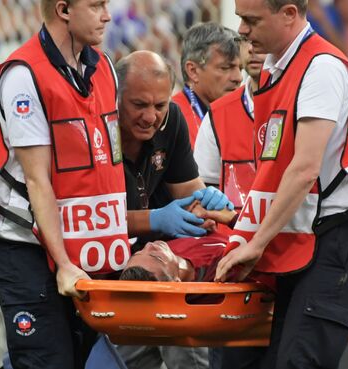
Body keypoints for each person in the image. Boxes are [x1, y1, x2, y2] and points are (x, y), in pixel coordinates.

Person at [214, 1, 348, 368]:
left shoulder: (322, 68)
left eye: (251, 20)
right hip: (310, 242)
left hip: (342, 241)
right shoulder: (277, 66)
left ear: (289, 14)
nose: (242, 31)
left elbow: (304, 169)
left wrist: (256, 242)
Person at [0, 1, 126, 368]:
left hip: (79, 248)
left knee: (77, 356)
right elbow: (38, 181)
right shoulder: (23, 76)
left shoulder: (103, 68)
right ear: (64, 9)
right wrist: (64, 263)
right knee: (47, 361)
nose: (107, 15)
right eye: (96, 5)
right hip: (26, 246)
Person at [115, 50, 233, 369]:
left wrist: (208, 200)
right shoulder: (97, 132)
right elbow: (88, 220)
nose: (151, 117)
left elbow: (189, 192)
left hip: (160, 271)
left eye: (160, 105)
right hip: (100, 264)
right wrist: (155, 219)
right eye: (139, 105)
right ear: (116, 98)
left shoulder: (173, 120)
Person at [193, 39, 266, 214]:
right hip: (232, 239)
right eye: (244, 40)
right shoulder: (218, 114)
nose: (251, 49)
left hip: (297, 238)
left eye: (258, 38)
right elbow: (202, 194)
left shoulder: (304, 107)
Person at [172, 22, 243, 147]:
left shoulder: (242, 113)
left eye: (240, 68)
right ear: (193, 71)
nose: (238, 78)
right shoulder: (171, 120)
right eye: (226, 68)